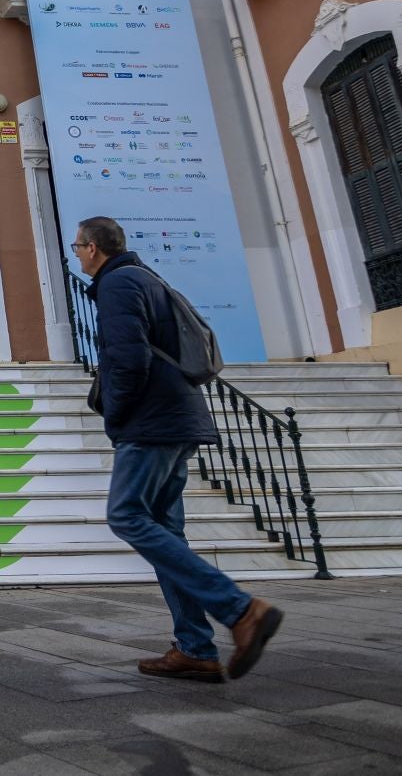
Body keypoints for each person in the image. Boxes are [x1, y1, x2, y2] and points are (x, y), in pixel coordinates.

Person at [76, 215, 283, 682]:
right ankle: (195, 648)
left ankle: (241, 610)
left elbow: (127, 358)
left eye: (77, 248)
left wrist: (117, 415)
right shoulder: (145, 277)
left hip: (152, 422)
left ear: (92, 248)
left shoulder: (118, 284)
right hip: (175, 415)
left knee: (127, 516)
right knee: (167, 531)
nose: (78, 256)